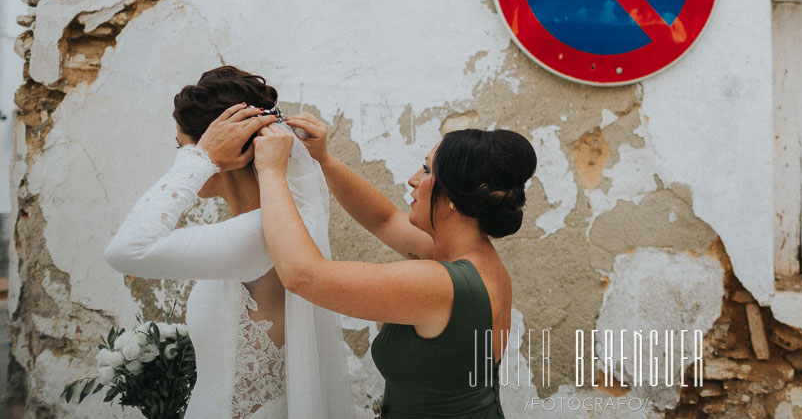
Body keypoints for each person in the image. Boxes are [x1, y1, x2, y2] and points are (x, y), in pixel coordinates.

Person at [103, 66, 354, 419]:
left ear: (225, 149)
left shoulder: (262, 233)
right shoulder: (264, 227)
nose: (183, 156)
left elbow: (126, 250)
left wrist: (198, 159)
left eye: (182, 146)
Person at [248, 114, 537, 418]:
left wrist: (270, 172)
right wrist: (323, 159)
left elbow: (303, 276)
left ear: (454, 196)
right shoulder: (483, 264)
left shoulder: (440, 284)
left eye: (426, 170)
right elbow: (384, 220)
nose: (413, 178)